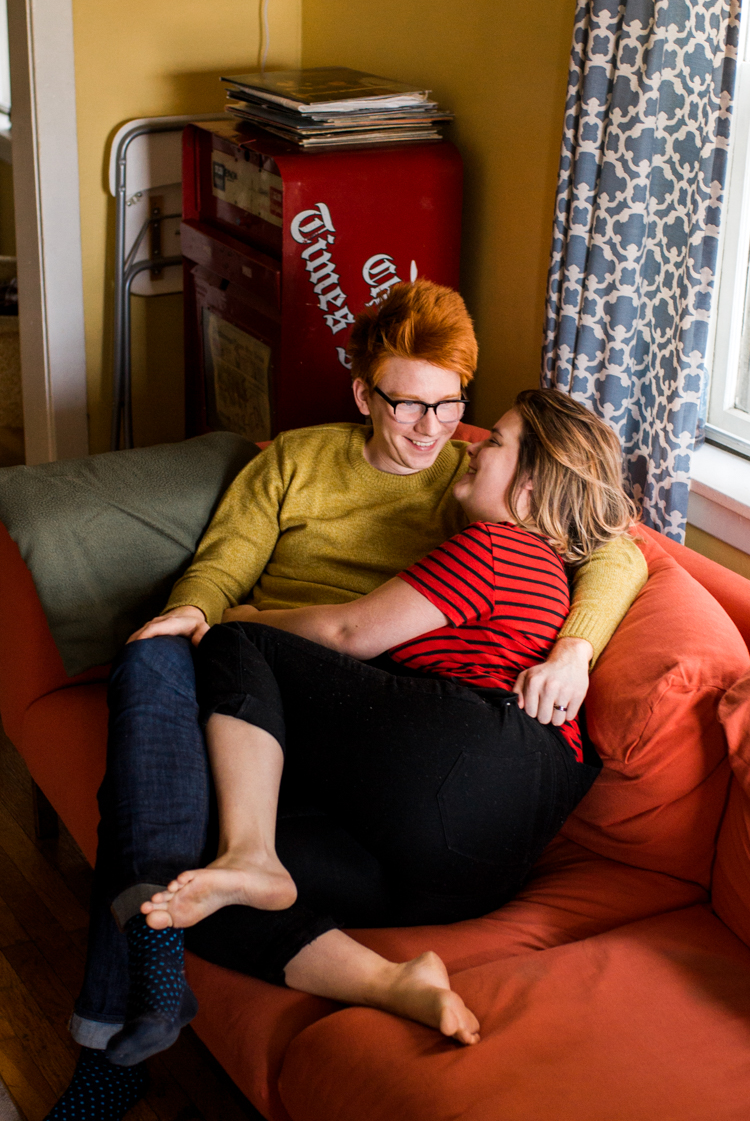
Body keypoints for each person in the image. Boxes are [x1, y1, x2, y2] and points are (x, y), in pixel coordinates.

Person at [48, 281, 647, 1119]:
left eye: (452, 407)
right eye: (409, 405)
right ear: (365, 394)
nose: (435, 432)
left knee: (204, 760)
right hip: (285, 712)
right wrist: (194, 610)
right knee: (159, 678)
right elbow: (223, 570)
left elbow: (613, 545)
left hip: (369, 723)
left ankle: (118, 1030)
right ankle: (132, 1037)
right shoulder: (294, 461)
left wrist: (577, 648)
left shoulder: (478, 491)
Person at [125, 388, 637, 1054]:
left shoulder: (500, 546)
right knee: (185, 883)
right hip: (480, 865)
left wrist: (239, 620)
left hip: (473, 755)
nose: (475, 446)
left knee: (238, 646)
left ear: (535, 484)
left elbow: (347, 632)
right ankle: (392, 981)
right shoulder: (546, 570)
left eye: (498, 443)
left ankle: (251, 852)